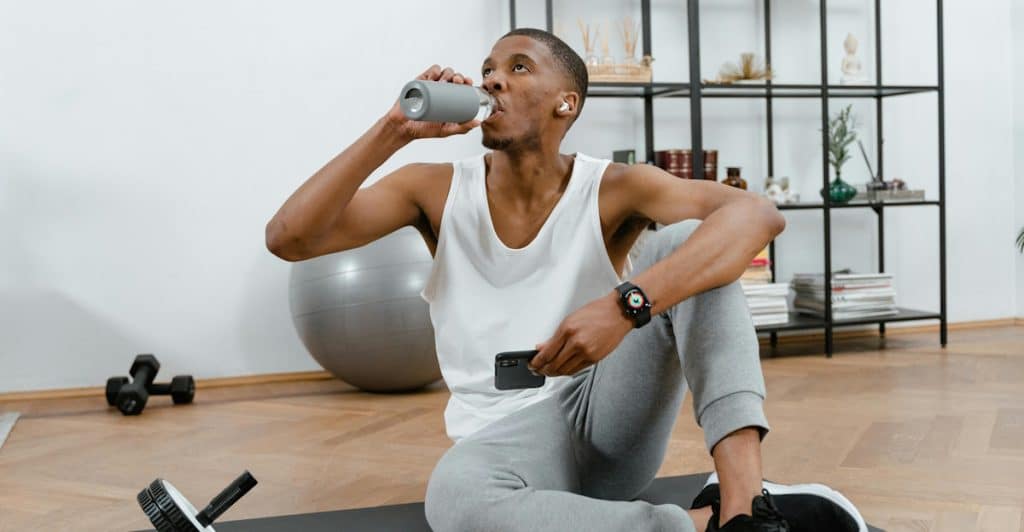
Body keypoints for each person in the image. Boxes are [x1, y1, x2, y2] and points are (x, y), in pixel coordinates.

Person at [266, 27, 867, 532]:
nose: (492, 79)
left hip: (603, 415)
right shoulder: (433, 189)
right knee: (454, 497)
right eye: (487, 70)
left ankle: (745, 507)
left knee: (691, 242)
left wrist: (625, 305)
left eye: (518, 67)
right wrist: (395, 130)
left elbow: (757, 215)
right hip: (502, 447)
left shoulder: (611, 188)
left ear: (566, 103)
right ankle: (687, 528)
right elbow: (289, 237)